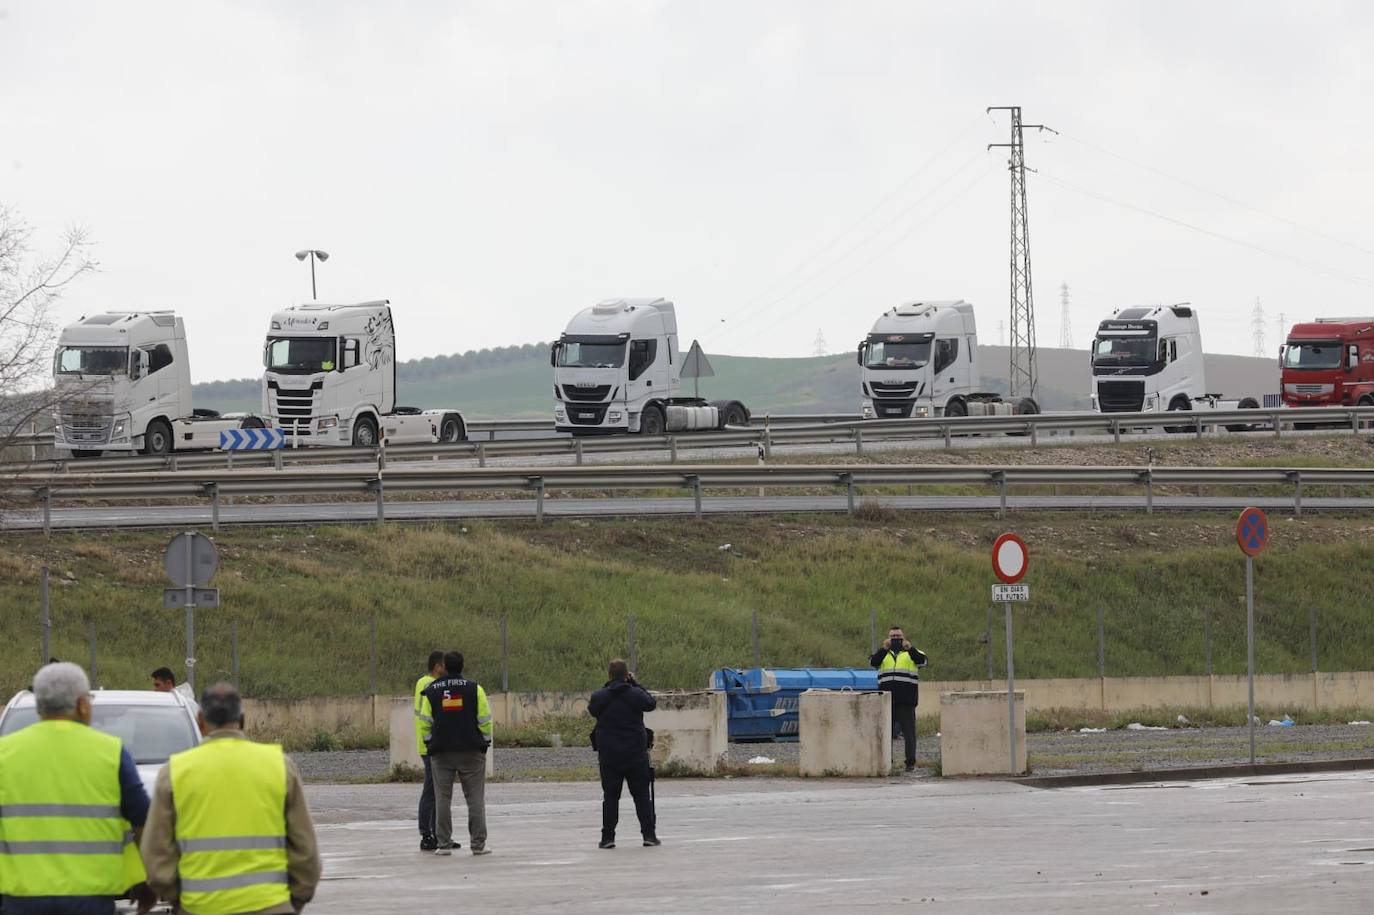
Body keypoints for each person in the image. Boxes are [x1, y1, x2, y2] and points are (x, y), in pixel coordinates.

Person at [140, 682, 321, 914]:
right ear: (243, 720)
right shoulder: (280, 766)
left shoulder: (175, 772)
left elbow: (156, 854)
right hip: (270, 905)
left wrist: (179, 901)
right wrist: (292, 901)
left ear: (200, 721)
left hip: (200, 907)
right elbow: (306, 851)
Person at [0, 662, 153, 915]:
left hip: (20, 901)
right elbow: (143, 822)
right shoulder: (111, 753)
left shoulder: (4, 753)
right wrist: (147, 877)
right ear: (82, 704)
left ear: (40, 705)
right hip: (90, 902)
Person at [418, 651, 493, 857]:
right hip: (471, 751)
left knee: (442, 798)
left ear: (445, 667)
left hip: (441, 753)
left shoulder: (431, 690)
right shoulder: (475, 689)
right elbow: (485, 719)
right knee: (475, 798)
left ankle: (443, 845)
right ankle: (478, 845)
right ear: (462, 666)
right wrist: (485, 742)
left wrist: (429, 744)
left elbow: (425, 722)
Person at [588, 659, 659, 849]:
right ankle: (649, 836)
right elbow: (651, 703)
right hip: (635, 754)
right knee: (642, 796)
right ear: (626, 674)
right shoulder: (635, 694)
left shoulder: (599, 696)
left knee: (610, 797)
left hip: (609, 755)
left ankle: (607, 838)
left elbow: (592, 710)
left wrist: (609, 686)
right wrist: (635, 684)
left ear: (609, 675)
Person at [870, 625, 929, 772]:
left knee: (909, 733)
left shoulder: (912, 652)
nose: (896, 639)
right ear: (888, 638)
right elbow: (873, 663)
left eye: (898, 636)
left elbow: (923, 661)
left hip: (906, 701)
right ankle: (886, 762)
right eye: (893, 637)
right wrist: (884, 649)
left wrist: (910, 648)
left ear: (904, 637)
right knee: (886, 733)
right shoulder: (883, 653)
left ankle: (910, 763)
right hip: (887, 700)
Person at [414, 650, 445, 851]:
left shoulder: (422, 682)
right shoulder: (429, 685)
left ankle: (437, 834)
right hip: (429, 744)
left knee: (435, 791)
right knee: (430, 791)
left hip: (429, 742)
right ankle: (426, 833)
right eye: (444, 665)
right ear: (437, 666)